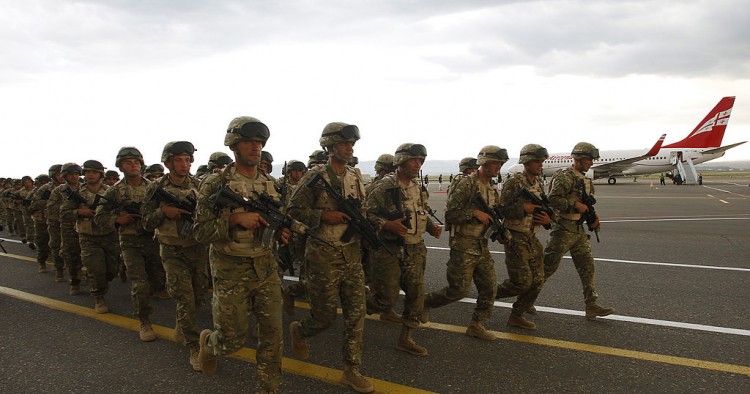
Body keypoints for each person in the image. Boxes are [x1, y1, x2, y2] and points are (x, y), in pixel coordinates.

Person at [193, 117, 287, 392]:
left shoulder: (272, 183)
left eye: (259, 143)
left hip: (265, 268)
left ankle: (270, 387)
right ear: (234, 145)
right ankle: (210, 345)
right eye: (249, 142)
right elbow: (199, 231)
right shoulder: (215, 183)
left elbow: (277, 220)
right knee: (231, 340)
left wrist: (281, 232)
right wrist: (234, 220)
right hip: (230, 270)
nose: (256, 148)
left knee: (272, 335)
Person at [287, 122, 374, 393]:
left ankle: (351, 370)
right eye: (345, 144)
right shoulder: (314, 177)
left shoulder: (355, 176)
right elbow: (293, 210)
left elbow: (363, 209)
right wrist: (323, 215)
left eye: (352, 145)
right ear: (330, 146)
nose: (350, 148)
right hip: (323, 254)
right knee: (324, 317)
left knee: (356, 315)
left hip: (351, 255)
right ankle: (301, 330)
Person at [423, 146, 509, 341]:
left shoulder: (492, 187)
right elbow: (450, 215)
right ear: (484, 162)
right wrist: (474, 213)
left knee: (489, 287)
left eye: (501, 164)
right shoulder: (466, 184)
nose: (499, 167)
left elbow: (493, 215)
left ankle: (476, 324)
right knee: (459, 290)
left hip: (481, 243)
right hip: (463, 243)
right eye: (496, 163)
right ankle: (425, 302)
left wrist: (500, 232)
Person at [365, 143, 442, 356]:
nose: (418, 164)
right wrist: (387, 225)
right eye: (413, 160)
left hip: (415, 249)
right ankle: (357, 307)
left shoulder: (418, 187)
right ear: (400, 161)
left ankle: (406, 338)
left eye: (421, 160)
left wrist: (430, 227)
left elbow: (421, 211)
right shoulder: (383, 187)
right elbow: (364, 216)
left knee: (416, 294)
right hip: (389, 250)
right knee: (385, 299)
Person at [142, 141, 208, 370]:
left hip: (196, 247)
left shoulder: (200, 185)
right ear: (168, 162)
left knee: (199, 295)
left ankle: (183, 321)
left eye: (187, 160)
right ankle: (193, 345)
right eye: (178, 160)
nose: (184, 164)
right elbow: (145, 220)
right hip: (171, 249)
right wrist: (163, 212)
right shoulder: (155, 187)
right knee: (184, 297)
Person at [95, 147, 164, 342]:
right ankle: (144, 320)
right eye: (128, 162)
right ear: (121, 166)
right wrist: (118, 219)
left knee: (158, 280)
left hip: (153, 240)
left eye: (136, 162)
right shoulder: (114, 191)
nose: (133, 165)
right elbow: (100, 217)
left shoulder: (154, 187)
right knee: (140, 284)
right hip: (130, 241)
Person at [543, 142, 615, 319]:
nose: (591, 163)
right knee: (547, 268)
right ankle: (524, 302)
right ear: (579, 159)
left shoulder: (585, 179)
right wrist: (575, 205)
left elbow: (587, 204)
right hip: (562, 229)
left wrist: (593, 218)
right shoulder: (565, 176)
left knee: (587, 266)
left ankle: (591, 305)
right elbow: (552, 199)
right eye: (589, 160)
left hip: (578, 230)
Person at [494, 144, 553, 330]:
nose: (540, 165)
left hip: (531, 236)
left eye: (541, 162)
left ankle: (517, 315)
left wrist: (547, 219)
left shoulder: (537, 183)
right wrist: (523, 209)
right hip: (515, 236)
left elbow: (545, 207)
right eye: (537, 161)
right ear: (526, 162)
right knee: (521, 282)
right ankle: (488, 293)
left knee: (538, 279)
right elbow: (501, 209)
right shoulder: (515, 183)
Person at [60, 160, 119, 313]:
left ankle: (99, 283)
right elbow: (63, 213)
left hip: (109, 235)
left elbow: (119, 210)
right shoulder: (76, 193)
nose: (90, 174)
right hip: (88, 236)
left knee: (113, 269)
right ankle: (99, 297)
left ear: (101, 174)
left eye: (94, 172)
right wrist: (79, 212)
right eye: (87, 172)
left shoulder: (110, 191)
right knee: (96, 269)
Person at [52, 163, 85, 294]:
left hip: (84, 226)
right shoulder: (58, 191)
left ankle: (83, 273)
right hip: (67, 227)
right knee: (70, 254)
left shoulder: (85, 189)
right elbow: (51, 209)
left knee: (86, 254)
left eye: (76, 174)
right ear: (64, 176)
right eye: (71, 174)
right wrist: (72, 210)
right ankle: (74, 281)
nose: (74, 177)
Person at [28, 174, 52, 272]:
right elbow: (31, 206)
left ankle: (56, 260)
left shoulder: (56, 189)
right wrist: (47, 201)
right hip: (40, 220)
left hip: (54, 219)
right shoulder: (35, 192)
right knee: (42, 242)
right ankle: (42, 262)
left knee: (56, 242)